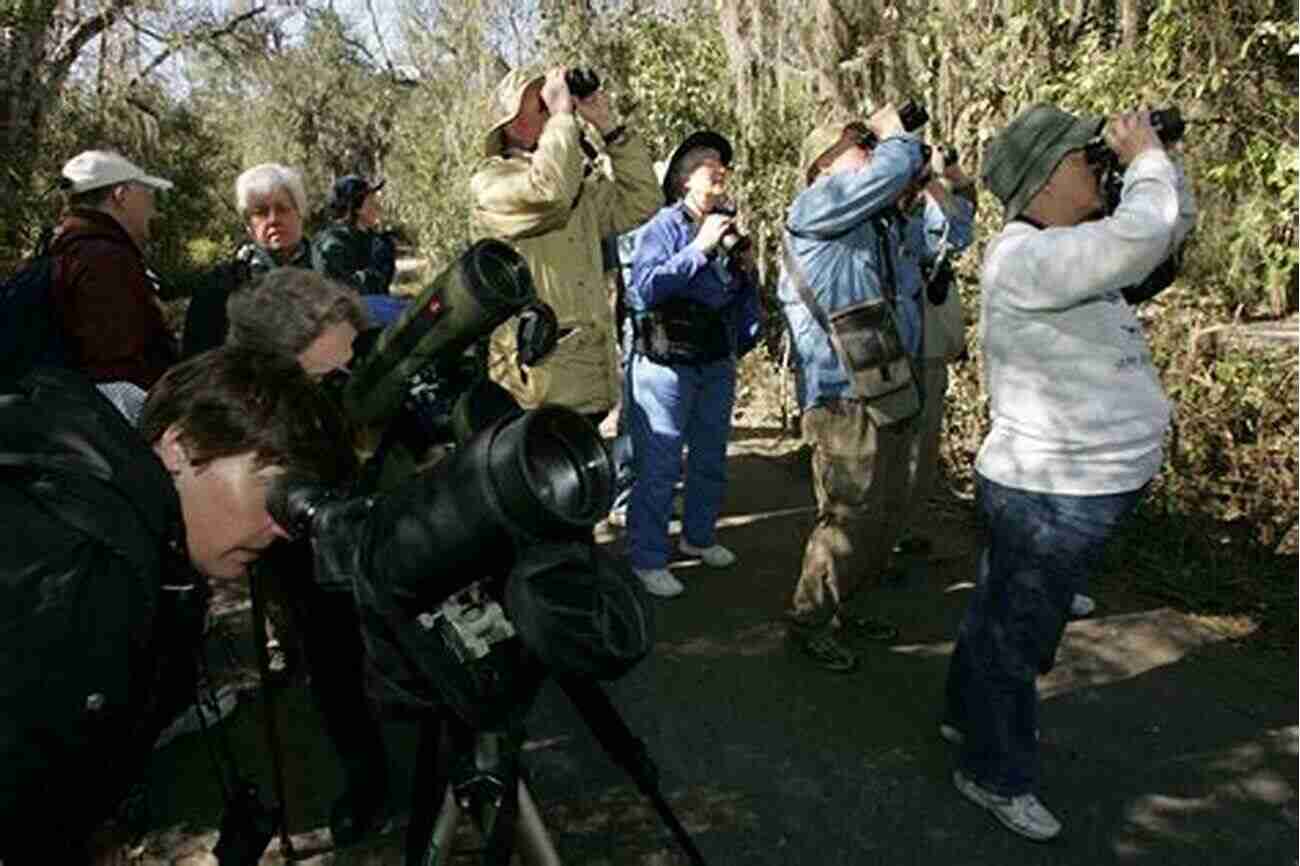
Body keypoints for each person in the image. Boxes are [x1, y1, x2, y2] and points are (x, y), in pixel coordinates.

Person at [941, 104, 1196, 841]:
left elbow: (1159, 236)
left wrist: (1158, 162)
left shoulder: (1068, 246)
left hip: (1060, 487)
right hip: (1053, 493)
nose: (1101, 166)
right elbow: (1141, 233)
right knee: (1018, 638)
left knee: (998, 616)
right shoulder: (1025, 257)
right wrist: (1147, 164)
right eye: (1087, 159)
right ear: (1047, 177)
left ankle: (967, 720)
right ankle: (994, 773)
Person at [0, 347, 357, 865]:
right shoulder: (77, 563)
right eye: (275, 489)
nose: (283, 528)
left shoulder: (121, 521)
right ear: (181, 446)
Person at [777, 105, 974, 673]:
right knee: (849, 512)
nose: (869, 150)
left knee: (886, 508)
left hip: (888, 382)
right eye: (856, 145)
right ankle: (811, 618)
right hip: (843, 391)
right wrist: (897, 137)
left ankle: (845, 604)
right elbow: (887, 170)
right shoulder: (814, 207)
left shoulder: (879, 224)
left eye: (868, 143)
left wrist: (937, 180)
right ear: (823, 167)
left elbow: (949, 239)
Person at [224, 267, 392, 844]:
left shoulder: (312, 383)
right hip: (302, 557)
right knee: (334, 667)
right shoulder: (263, 403)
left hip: (342, 534)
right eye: (340, 342)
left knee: (352, 661)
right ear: (297, 339)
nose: (350, 353)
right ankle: (368, 782)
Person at [470, 66, 660, 426]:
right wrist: (561, 120)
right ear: (513, 124)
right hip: (536, 384)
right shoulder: (492, 182)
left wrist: (609, 128)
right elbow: (550, 195)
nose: (558, 108)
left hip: (588, 379)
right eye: (543, 105)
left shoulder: (578, 185)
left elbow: (643, 201)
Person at [623, 131, 760, 598]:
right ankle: (647, 558)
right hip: (667, 366)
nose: (718, 168)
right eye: (706, 162)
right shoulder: (661, 227)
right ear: (683, 180)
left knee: (709, 458)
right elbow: (643, 289)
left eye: (722, 163)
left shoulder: (727, 226)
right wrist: (698, 249)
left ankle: (698, 537)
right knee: (660, 465)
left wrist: (744, 267)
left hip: (714, 362)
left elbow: (736, 298)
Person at [895, 147, 978, 558]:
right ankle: (878, 529)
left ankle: (907, 526)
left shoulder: (928, 206)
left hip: (927, 337)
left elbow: (960, 230)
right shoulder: (880, 209)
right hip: (891, 339)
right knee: (891, 439)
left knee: (924, 439)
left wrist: (948, 180)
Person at [48, 150, 178, 397]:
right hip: (110, 427)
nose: (153, 208)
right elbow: (117, 376)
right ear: (121, 195)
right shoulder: (105, 261)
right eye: (146, 193)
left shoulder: (65, 250)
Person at [182, 163, 315, 357]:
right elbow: (199, 365)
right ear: (248, 226)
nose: (273, 220)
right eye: (260, 212)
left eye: (282, 209)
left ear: (300, 213)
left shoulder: (332, 273)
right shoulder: (220, 288)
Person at [312, 175, 397, 296]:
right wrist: (374, 271)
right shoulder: (332, 245)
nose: (378, 207)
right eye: (371, 202)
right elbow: (342, 292)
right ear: (357, 208)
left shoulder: (374, 240)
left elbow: (382, 289)